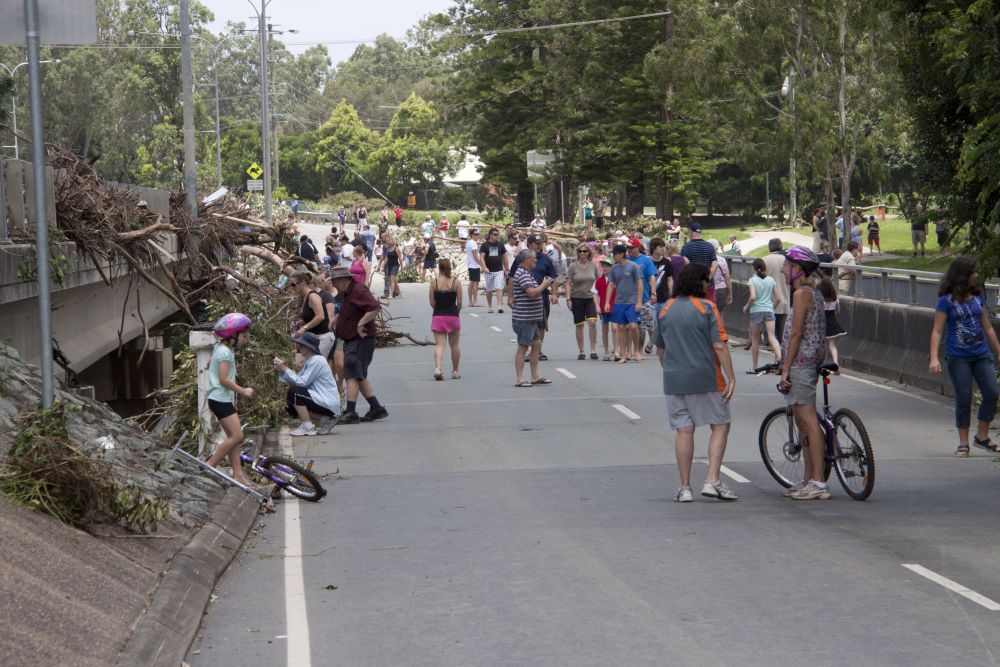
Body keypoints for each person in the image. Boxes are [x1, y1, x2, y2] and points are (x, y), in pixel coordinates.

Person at [653, 263, 738, 503]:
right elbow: (719, 345)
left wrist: (671, 370)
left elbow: (660, 349)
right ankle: (712, 479)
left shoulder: (666, 308)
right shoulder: (707, 307)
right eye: (707, 281)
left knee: (683, 430)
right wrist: (731, 377)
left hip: (674, 379)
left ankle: (685, 487)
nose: (708, 285)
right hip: (707, 377)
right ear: (699, 282)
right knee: (720, 424)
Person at [778, 246, 836, 500]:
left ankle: (819, 483)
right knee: (803, 423)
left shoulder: (802, 293)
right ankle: (808, 479)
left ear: (797, 268)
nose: (782, 269)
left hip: (802, 363)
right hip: (806, 361)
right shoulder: (812, 292)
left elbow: (796, 333)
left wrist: (785, 369)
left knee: (808, 421)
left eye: (786, 265)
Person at [930, 257, 1000, 457]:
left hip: (981, 353)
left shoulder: (978, 299)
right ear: (962, 276)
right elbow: (937, 331)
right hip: (958, 356)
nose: (976, 275)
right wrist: (934, 358)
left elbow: (987, 327)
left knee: (992, 392)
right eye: (972, 272)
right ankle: (963, 443)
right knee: (964, 397)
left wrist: (998, 351)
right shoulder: (946, 301)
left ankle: (982, 437)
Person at [328, 265, 387, 424]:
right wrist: (337, 319)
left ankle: (352, 411)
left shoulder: (358, 290)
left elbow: (375, 307)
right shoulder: (346, 292)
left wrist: (361, 323)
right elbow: (350, 310)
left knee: (353, 373)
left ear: (342, 279)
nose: (334, 285)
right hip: (351, 339)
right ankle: (376, 408)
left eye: (335, 282)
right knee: (357, 374)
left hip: (361, 339)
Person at [204, 313, 255, 486]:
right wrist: (244, 391)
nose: (245, 340)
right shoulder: (225, 352)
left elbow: (211, 362)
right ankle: (210, 464)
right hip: (221, 400)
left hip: (218, 399)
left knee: (233, 437)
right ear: (233, 335)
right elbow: (224, 379)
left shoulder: (220, 348)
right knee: (238, 436)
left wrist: (211, 364)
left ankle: (238, 474)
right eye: (244, 336)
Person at [274, 332, 340, 436]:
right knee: (289, 404)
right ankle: (324, 420)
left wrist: (285, 369)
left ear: (308, 347)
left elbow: (301, 383)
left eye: (302, 345)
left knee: (295, 392)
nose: (299, 347)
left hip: (327, 402)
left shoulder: (317, 360)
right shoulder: (311, 360)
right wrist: (282, 371)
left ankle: (307, 426)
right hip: (321, 400)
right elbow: (297, 380)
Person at [509, 249, 555, 387]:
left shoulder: (527, 273)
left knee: (536, 344)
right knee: (523, 347)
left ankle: (535, 376)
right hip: (524, 318)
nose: (536, 260)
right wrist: (544, 285)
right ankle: (520, 378)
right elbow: (532, 293)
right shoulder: (522, 274)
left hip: (531, 317)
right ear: (526, 259)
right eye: (534, 258)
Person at [508, 235, 559, 360]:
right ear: (530, 244)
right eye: (536, 243)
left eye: (540, 243)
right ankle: (528, 349)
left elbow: (552, 277)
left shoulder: (545, 259)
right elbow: (512, 277)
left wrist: (554, 294)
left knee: (541, 324)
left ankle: (537, 350)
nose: (539, 245)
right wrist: (510, 296)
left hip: (541, 297)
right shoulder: (521, 258)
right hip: (524, 298)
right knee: (527, 324)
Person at [743, 258, 783, 372]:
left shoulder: (752, 280)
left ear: (754, 269)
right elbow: (779, 298)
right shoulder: (771, 280)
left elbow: (753, 297)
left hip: (756, 311)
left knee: (755, 340)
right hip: (769, 310)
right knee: (772, 337)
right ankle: (780, 359)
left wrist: (746, 307)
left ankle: (754, 367)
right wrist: (771, 308)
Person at [605, 244, 643, 363]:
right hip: (619, 302)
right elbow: (611, 285)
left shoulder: (633, 266)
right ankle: (624, 354)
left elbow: (639, 283)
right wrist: (607, 302)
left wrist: (639, 301)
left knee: (633, 326)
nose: (613, 256)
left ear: (621, 254)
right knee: (620, 327)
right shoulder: (614, 269)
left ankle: (636, 351)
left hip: (632, 301)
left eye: (615, 254)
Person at [291, 271, 337, 361]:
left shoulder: (313, 296)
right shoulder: (306, 297)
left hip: (323, 337)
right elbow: (310, 317)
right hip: (314, 338)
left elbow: (320, 316)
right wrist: (297, 323)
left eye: (293, 284)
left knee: (316, 365)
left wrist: (304, 328)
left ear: (303, 283)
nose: (292, 288)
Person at [429, 258, 462, 380]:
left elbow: (432, 302)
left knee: (439, 345)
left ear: (439, 268)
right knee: (455, 345)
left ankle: (438, 369)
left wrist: (438, 309)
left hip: (438, 315)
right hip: (453, 315)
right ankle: (455, 371)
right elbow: (459, 303)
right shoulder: (456, 282)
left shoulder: (434, 282)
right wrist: (456, 312)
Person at [565, 243, 600, 360]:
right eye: (580, 251)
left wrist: (601, 299)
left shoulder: (593, 266)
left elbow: (599, 281)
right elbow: (568, 283)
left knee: (592, 322)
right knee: (579, 324)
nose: (582, 253)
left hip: (590, 298)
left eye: (585, 251)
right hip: (576, 298)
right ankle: (582, 351)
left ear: (589, 253)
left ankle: (593, 350)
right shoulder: (573, 266)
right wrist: (568, 299)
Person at [627, 238, 658, 356]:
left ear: (638, 247)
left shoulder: (646, 260)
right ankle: (628, 350)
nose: (629, 250)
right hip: (628, 298)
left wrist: (653, 293)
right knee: (628, 326)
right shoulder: (625, 260)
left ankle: (639, 350)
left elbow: (652, 277)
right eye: (628, 247)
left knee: (642, 325)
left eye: (631, 247)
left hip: (643, 298)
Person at [680, 222, 718, 302]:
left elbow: (682, 264)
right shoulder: (709, 246)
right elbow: (715, 264)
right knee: (709, 307)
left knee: (695, 308)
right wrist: (707, 279)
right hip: (708, 285)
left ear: (691, 232)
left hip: (692, 286)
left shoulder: (686, 247)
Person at [762, 239, 790, 338]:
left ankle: (768, 343)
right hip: (784, 299)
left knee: (768, 332)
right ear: (781, 247)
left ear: (769, 247)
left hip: (767, 301)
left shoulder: (763, 260)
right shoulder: (786, 260)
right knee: (782, 332)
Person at [480, 227, 509, 313]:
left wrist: (507, 269)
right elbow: (481, 257)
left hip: (499, 270)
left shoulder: (500, 245)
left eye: (497, 234)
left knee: (499, 287)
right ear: (490, 235)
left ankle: (499, 306)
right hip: (488, 270)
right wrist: (484, 267)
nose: (497, 236)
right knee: (489, 289)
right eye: (495, 234)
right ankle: (490, 306)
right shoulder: (485, 245)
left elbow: (505, 257)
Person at [594, 257, 616, 361]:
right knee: (604, 329)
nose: (605, 268)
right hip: (603, 308)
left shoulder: (616, 280)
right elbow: (594, 293)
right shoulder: (599, 280)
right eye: (603, 266)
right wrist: (597, 305)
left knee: (615, 328)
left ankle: (616, 350)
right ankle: (606, 351)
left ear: (612, 267)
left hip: (615, 307)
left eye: (607, 266)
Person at [822, 279, 845, 372]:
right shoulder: (835, 299)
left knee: (824, 345)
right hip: (832, 323)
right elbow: (838, 311)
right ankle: (835, 363)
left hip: (823, 324)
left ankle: (824, 363)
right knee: (832, 345)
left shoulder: (821, 300)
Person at [707, 238, 733, 308]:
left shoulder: (705, 259)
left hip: (708, 289)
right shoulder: (722, 260)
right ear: (717, 248)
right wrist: (730, 293)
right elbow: (727, 278)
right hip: (721, 290)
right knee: (719, 312)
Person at [380, 234, 403, 299]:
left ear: (390, 242)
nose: (387, 244)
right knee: (394, 281)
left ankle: (391, 295)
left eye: (387, 243)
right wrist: (383, 265)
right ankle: (400, 294)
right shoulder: (389, 248)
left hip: (395, 266)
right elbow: (387, 258)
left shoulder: (397, 249)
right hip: (389, 266)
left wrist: (402, 267)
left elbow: (400, 259)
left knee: (392, 280)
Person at [465, 228, 483, 307]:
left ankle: (470, 301)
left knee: (472, 282)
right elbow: (475, 255)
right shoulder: (473, 243)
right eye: (475, 234)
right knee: (475, 283)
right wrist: (482, 265)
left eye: (477, 234)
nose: (477, 235)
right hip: (474, 265)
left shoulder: (469, 242)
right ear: (471, 235)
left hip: (470, 265)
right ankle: (475, 301)